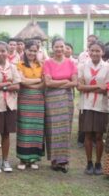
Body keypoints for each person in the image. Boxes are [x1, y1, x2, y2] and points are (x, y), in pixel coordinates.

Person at [44, 37, 77, 173]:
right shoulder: (47, 62)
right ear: (52, 48)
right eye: (56, 47)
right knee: (52, 129)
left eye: (61, 46)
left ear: (65, 48)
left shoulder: (71, 62)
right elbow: (48, 83)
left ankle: (64, 161)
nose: (59, 49)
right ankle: (54, 160)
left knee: (64, 129)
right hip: (52, 100)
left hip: (66, 100)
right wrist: (65, 81)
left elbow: (75, 83)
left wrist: (57, 82)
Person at [0, 41, 21, 173]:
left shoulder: (12, 67)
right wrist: (7, 84)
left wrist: (1, 85)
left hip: (10, 105)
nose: (0, 53)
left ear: (8, 52)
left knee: (6, 134)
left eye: (3, 51)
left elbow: (17, 86)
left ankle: (5, 160)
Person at [77, 41, 108, 175]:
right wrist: (97, 87)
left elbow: (106, 89)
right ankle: (89, 163)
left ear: (103, 52)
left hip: (102, 105)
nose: (95, 53)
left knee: (99, 135)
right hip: (87, 105)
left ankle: (98, 163)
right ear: (88, 51)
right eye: (92, 50)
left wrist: (88, 87)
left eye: (98, 50)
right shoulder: (83, 66)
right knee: (88, 134)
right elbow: (79, 87)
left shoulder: (107, 67)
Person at [16, 41, 45, 170]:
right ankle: (23, 159)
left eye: (35, 51)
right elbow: (21, 81)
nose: (32, 53)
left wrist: (35, 83)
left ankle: (34, 159)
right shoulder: (20, 64)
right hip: (24, 99)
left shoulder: (41, 65)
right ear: (25, 50)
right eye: (30, 50)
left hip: (38, 101)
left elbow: (45, 82)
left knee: (36, 129)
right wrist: (38, 81)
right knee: (24, 128)